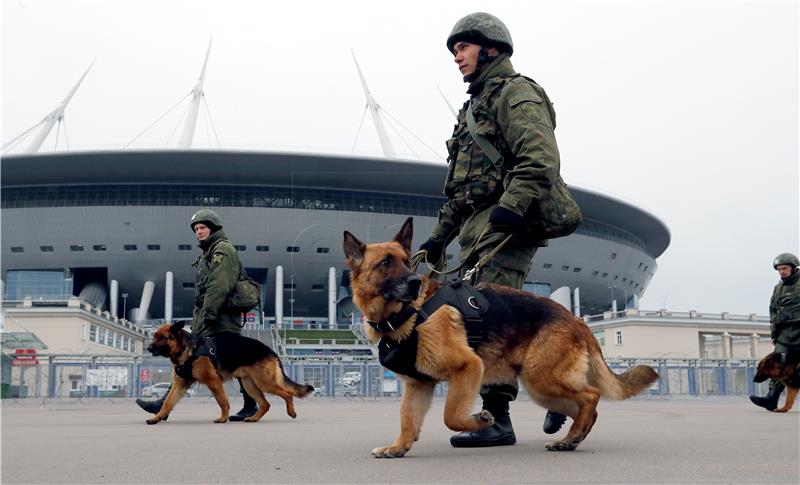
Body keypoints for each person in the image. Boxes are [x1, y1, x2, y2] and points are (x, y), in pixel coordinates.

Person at [418, 12, 567, 447]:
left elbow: (539, 159)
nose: (456, 57)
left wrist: (512, 207)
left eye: (462, 48)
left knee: (488, 323)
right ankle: (560, 395)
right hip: (478, 232)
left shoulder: (516, 94)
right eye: (454, 50)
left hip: (506, 229)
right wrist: (437, 237)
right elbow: (462, 192)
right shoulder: (473, 107)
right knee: (485, 321)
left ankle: (497, 420)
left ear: (491, 48)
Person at [136, 209, 257, 421]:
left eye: (202, 227)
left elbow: (219, 286)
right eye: (196, 229)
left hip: (221, 321)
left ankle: (250, 404)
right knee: (189, 362)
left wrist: (208, 315)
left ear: (213, 228)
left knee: (235, 364)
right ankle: (163, 406)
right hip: (209, 318)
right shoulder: (207, 253)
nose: (198, 232)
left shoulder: (222, 250)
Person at [750, 253, 800, 411]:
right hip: (784, 333)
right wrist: (774, 334)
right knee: (776, 363)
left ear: (793, 267)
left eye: (784, 268)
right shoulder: (778, 288)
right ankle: (771, 397)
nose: (782, 272)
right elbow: (773, 311)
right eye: (779, 269)